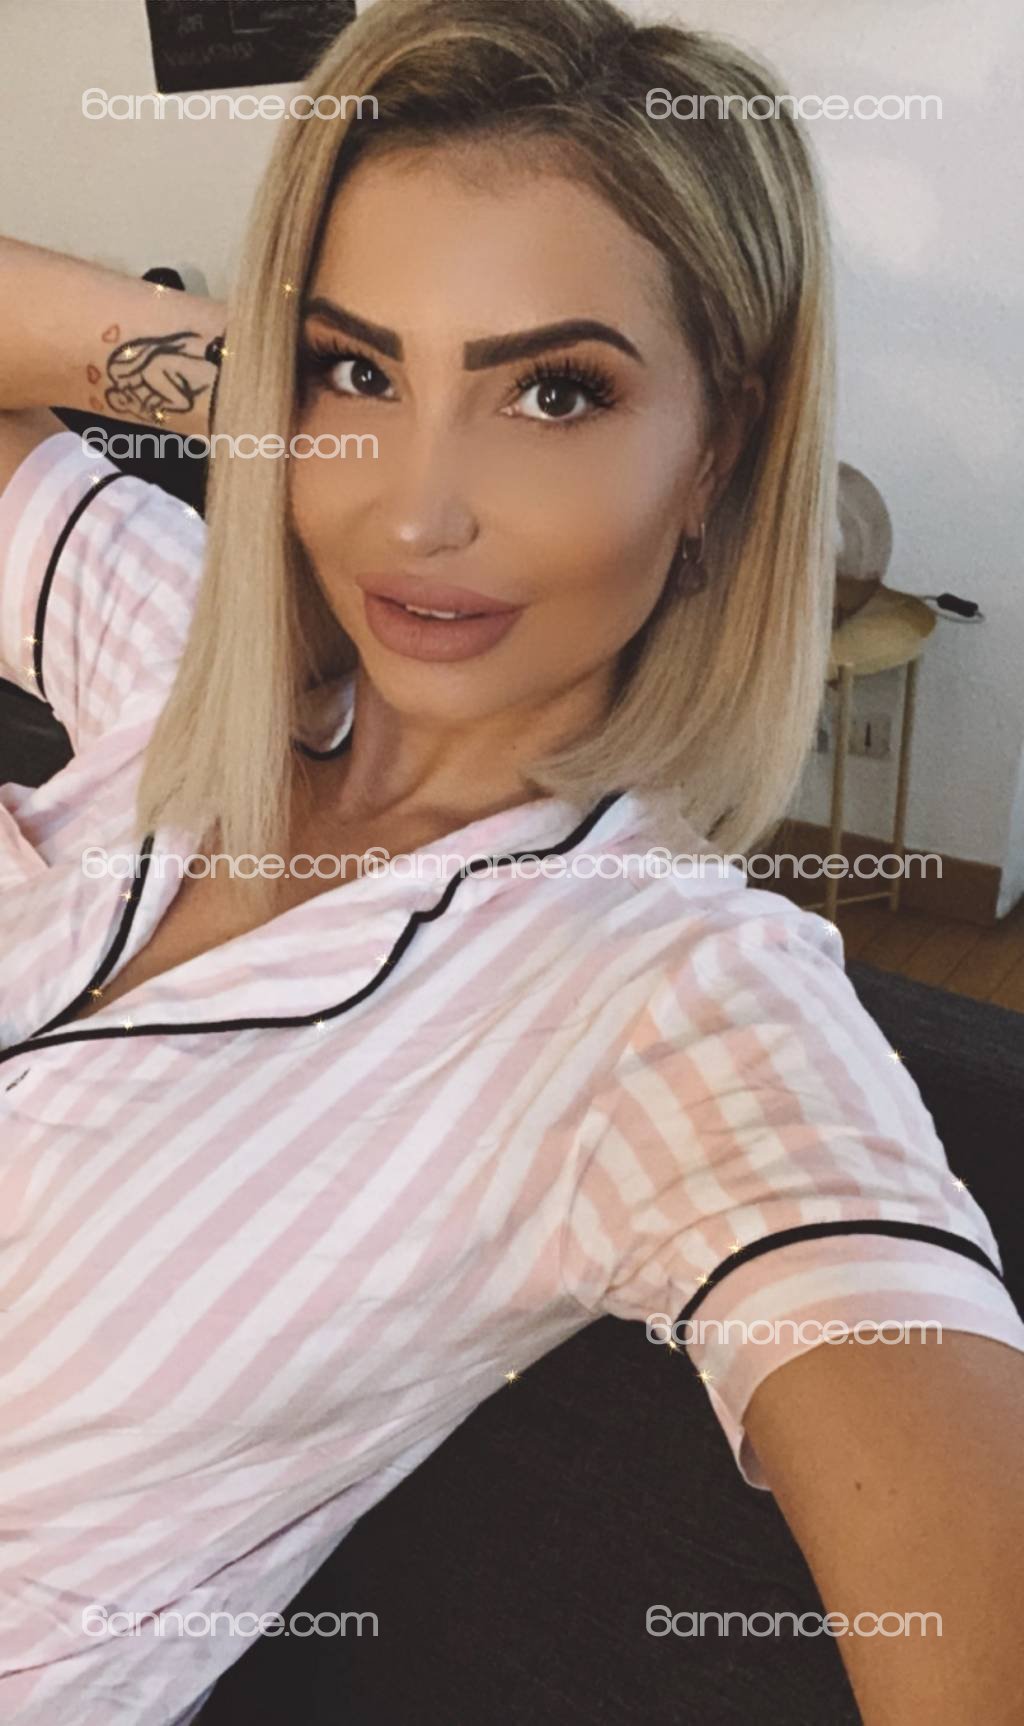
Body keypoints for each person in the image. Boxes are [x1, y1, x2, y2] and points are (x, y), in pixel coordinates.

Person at [1, 1, 1022, 1722]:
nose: (416, 511)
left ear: (717, 453)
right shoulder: (179, 656)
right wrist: (263, 378)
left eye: (554, 391)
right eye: (361, 367)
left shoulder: (678, 997)